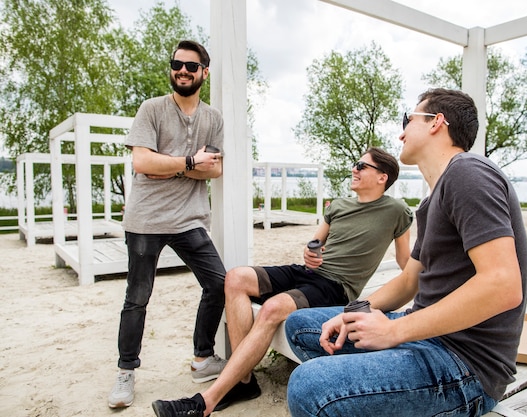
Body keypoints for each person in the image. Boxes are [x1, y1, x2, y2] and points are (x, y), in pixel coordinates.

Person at [284, 88, 527, 417]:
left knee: (307, 386)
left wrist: (393, 331)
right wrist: (352, 311)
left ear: (436, 123)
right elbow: (408, 281)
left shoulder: (468, 172)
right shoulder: (432, 199)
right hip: (425, 332)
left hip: (464, 363)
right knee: (301, 325)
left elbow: (503, 285)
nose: (401, 133)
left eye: (408, 119)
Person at [151, 147, 414, 417]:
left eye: (362, 166)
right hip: (308, 273)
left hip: (336, 286)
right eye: (355, 164)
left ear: (382, 177)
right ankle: (242, 380)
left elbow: (406, 260)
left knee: (272, 308)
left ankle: (206, 401)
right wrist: (311, 254)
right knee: (235, 278)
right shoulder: (338, 206)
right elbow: (315, 244)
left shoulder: (396, 210)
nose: (354, 169)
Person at [108, 40, 228, 409]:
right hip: (145, 220)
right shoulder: (152, 109)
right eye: (177, 64)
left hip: (189, 220)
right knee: (137, 297)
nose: (183, 71)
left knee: (220, 284)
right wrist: (191, 163)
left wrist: (170, 164)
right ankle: (126, 371)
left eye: (191, 67)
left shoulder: (213, 118)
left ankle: (202, 358)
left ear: (204, 73)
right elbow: (142, 163)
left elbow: (218, 169)